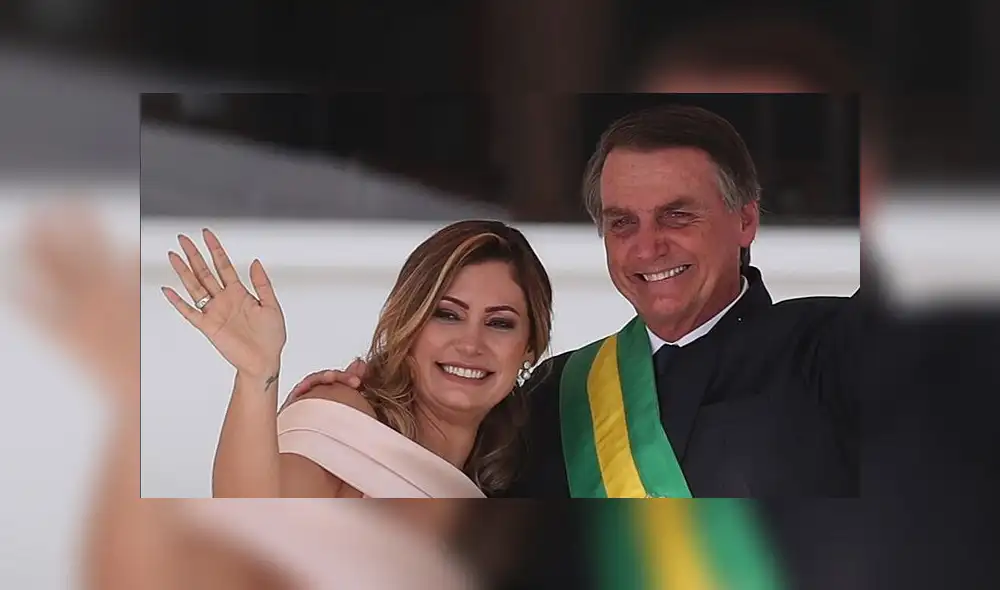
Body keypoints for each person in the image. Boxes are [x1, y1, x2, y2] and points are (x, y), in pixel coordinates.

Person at [291, 103, 861, 498]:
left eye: (677, 215)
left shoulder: (833, 345)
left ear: (746, 220)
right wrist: (358, 415)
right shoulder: (558, 394)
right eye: (621, 223)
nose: (647, 246)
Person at [161, 219, 553, 498]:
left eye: (500, 323)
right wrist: (256, 373)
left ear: (530, 347)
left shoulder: (523, 468)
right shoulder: (343, 415)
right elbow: (253, 531)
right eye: (447, 314)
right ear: (409, 323)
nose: (471, 344)